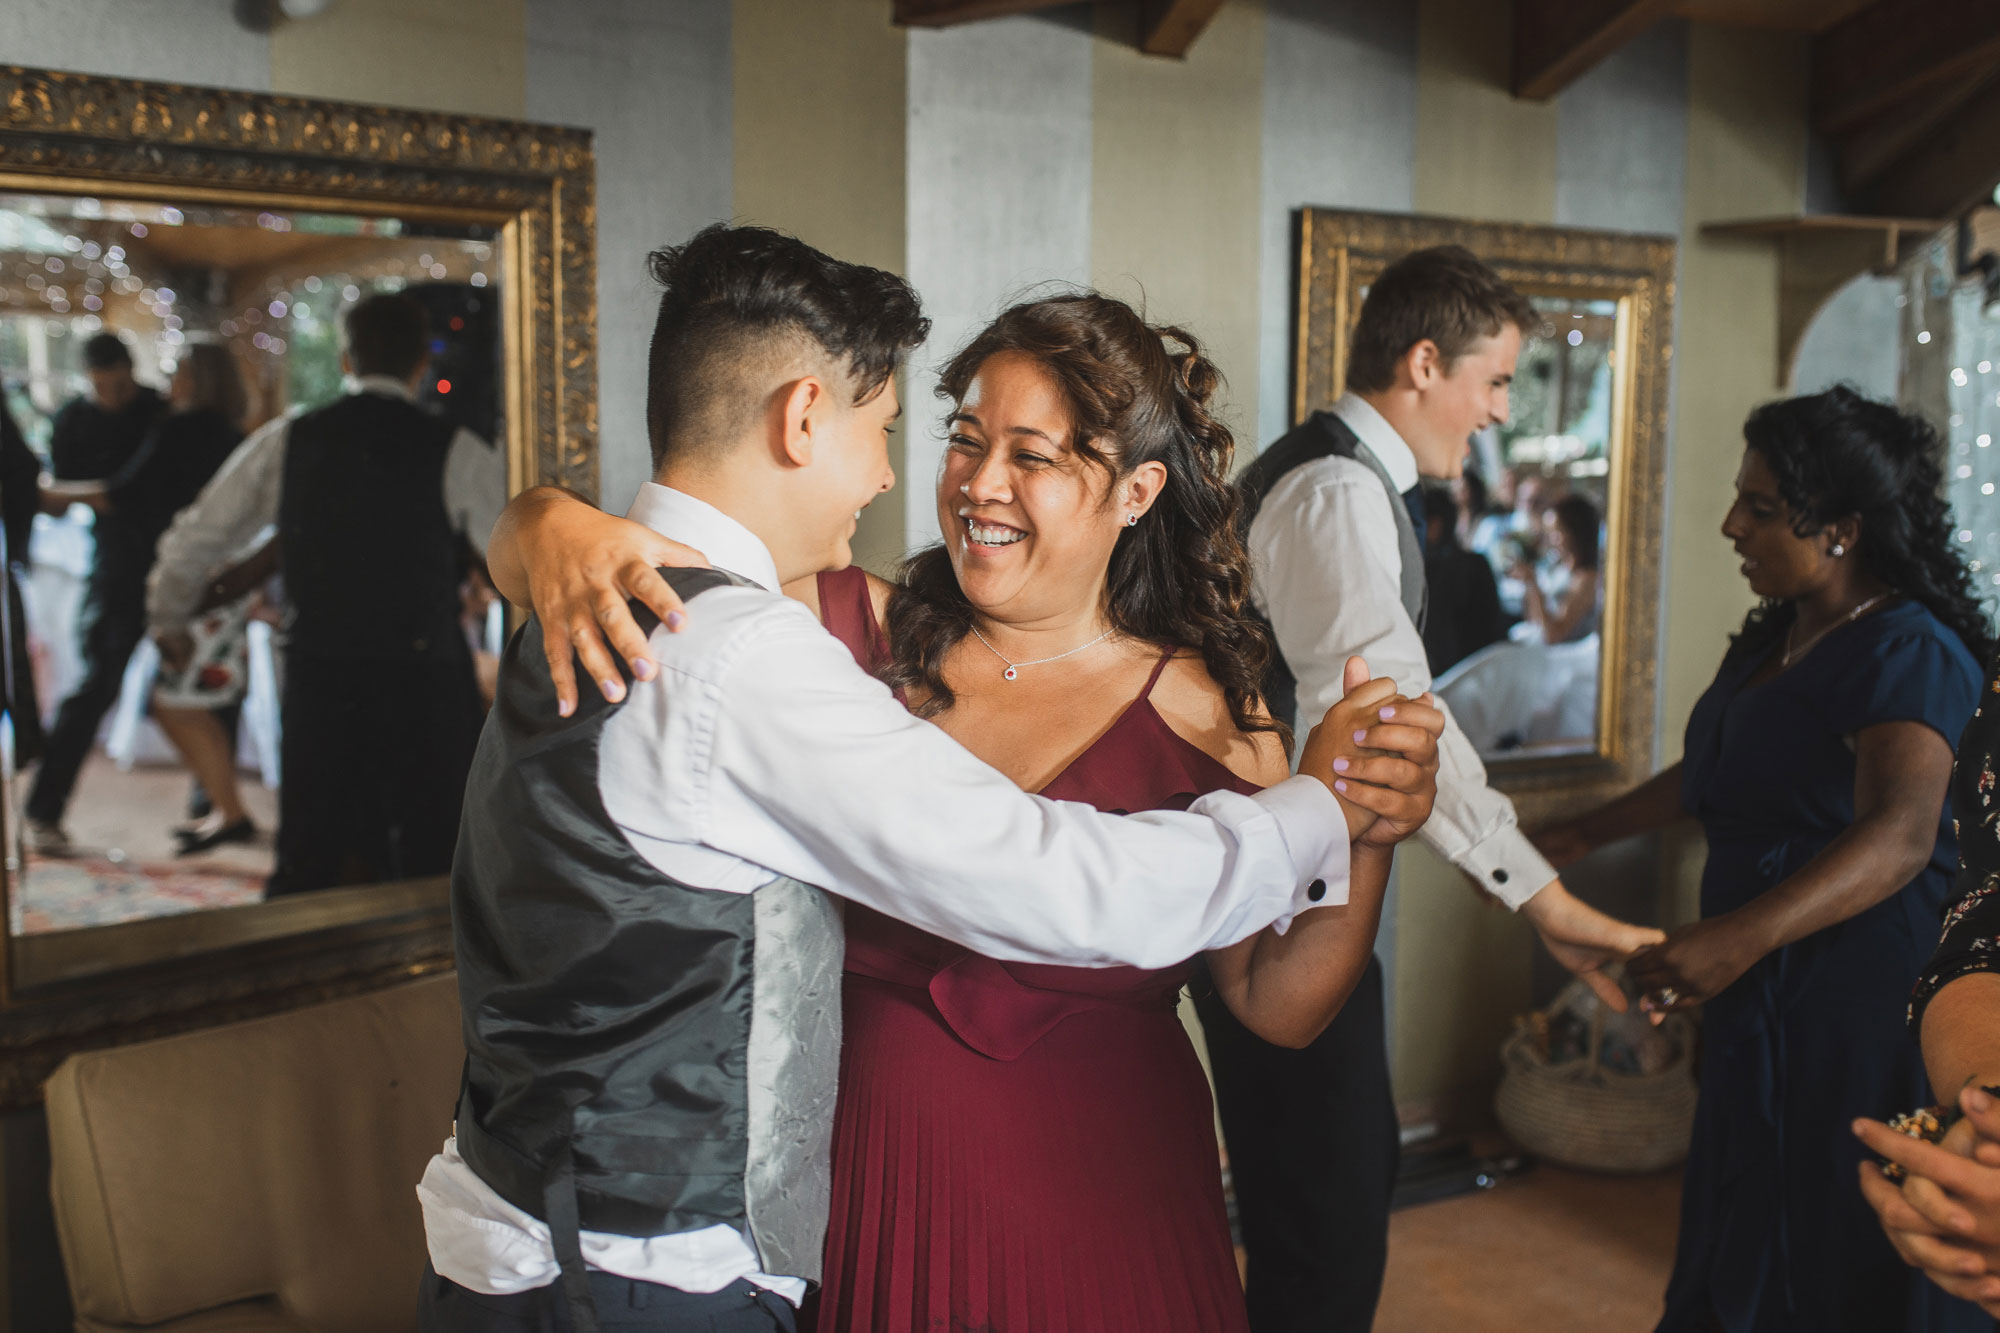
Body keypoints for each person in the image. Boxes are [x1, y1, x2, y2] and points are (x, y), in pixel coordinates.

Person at [417, 225, 1441, 1333]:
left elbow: (1273, 1006)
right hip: (860, 1195)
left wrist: (1366, 823)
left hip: (1106, 1192)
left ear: (1136, 491)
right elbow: (664, 568)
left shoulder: (1213, 716)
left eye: (1033, 455)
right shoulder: (830, 626)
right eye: (959, 436)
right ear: (809, 417)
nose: (970, 482)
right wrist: (544, 520)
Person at [1208, 243, 1662, 1332]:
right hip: (1281, 914)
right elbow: (1397, 723)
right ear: (1423, 363)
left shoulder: (1345, 482)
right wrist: (1541, 897)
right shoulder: (1332, 494)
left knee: (1336, 1189)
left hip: (1297, 894)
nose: (1501, 410)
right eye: (1495, 379)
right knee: (1324, 1220)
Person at [1535, 386, 1991, 1332]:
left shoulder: (1912, 648)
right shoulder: (1776, 638)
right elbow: (1717, 771)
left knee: (1836, 1226)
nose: (1731, 523)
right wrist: (1584, 832)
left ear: (1841, 529)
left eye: (1763, 508)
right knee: (1754, 1200)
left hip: (1856, 989)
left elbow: (1902, 833)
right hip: (1762, 984)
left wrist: (1736, 939)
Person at [145, 294, 506, 894]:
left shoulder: (289, 440)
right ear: (421, 363)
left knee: (317, 846)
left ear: (346, 360)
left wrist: (168, 614)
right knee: (434, 849)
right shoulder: (457, 448)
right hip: (423, 674)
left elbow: (196, 537)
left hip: (320, 669)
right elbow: (511, 551)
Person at [25, 342, 242, 853]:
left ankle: (214, 806)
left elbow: (120, 494)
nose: (111, 392)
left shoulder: (167, 420)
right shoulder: (76, 420)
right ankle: (47, 808)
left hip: (168, 576)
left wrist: (36, 495)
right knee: (124, 686)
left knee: (191, 695)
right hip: (134, 572)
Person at [1421, 481, 1506, 675]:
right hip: (1490, 674)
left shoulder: (1428, 572)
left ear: (1434, 526)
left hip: (1450, 681)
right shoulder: (1478, 562)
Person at [1514, 492, 1600, 645]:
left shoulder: (1585, 580)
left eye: (1557, 532)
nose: (1552, 540)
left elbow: (1554, 636)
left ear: (1575, 532)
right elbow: (1535, 620)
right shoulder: (1558, 568)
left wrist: (1533, 584)